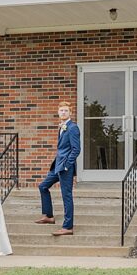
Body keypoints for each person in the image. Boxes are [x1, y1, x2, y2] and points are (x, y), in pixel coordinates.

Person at [36, 100, 81, 236]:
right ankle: (49, 216)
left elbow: (76, 149)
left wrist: (68, 165)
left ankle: (68, 227)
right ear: (58, 112)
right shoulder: (62, 126)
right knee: (43, 186)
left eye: (66, 110)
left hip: (65, 167)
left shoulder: (73, 127)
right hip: (58, 165)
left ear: (70, 113)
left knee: (66, 195)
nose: (63, 112)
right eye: (61, 110)